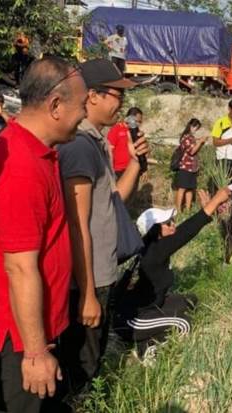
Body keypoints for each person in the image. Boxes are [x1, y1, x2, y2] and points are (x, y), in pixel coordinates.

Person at [0, 57, 87, 413]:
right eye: (82, 105)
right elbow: (20, 268)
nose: (84, 114)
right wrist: (36, 353)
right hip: (20, 338)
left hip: (33, 326)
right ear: (56, 105)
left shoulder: (39, 153)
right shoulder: (20, 166)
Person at [57, 58, 148, 396]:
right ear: (91, 96)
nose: (120, 104)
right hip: (86, 280)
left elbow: (112, 202)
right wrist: (88, 294)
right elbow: (77, 224)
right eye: (115, 95)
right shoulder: (80, 146)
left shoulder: (99, 143)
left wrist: (136, 164)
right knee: (79, 367)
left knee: (89, 362)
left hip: (101, 275)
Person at [114, 188, 231, 355]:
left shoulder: (154, 247)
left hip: (152, 306)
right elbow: (185, 232)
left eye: (173, 220)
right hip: (131, 320)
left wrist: (206, 210)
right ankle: (147, 347)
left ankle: (147, 338)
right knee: (184, 324)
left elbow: (182, 231)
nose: (173, 225)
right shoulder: (153, 251)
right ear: (154, 231)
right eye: (168, 223)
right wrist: (215, 202)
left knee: (190, 301)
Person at [174, 118, 206, 211]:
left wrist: (200, 143)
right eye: (195, 127)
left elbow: (196, 150)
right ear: (191, 126)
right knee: (182, 188)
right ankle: (179, 210)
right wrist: (200, 142)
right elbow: (192, 151)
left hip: (193, 167)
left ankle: (188, 209)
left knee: (190, 188)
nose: (196, 130)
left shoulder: (192, 138)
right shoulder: (186, 137)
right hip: (185, 166)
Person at [211, 98, 232, 178]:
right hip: (222, 158)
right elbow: (215, 142)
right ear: (229, 109)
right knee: (222, 186)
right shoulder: (220, 122)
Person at [107, 107, 143, 178]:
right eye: (137, 121)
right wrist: (110, 171)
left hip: (132, 169)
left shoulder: (136, 132)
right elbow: (109, 150)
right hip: (118, 171)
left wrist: (143, 168)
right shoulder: (116, 129)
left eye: (140, 122)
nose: (138, 124)